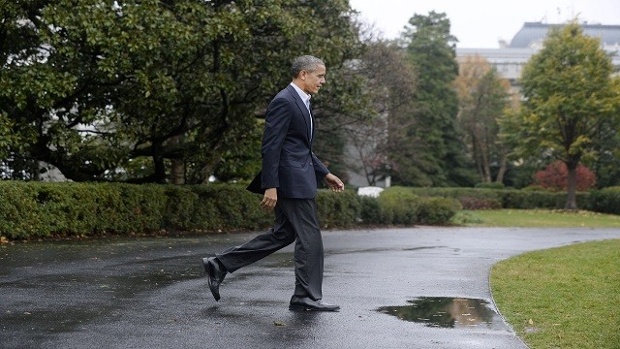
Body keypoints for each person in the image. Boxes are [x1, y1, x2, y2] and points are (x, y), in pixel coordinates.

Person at [202, 55, 345, 312]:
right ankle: (306, 296)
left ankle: (219, 264)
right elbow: (271, 147)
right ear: (304, 74)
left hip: (297, 177)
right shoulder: (284, 101)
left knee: (284, 234)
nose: (323, 81)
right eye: (320, 76)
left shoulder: (302, 101)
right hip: (291, 181)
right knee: (309, 237)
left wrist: (324, 173)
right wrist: (271, 185)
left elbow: (300, 147)